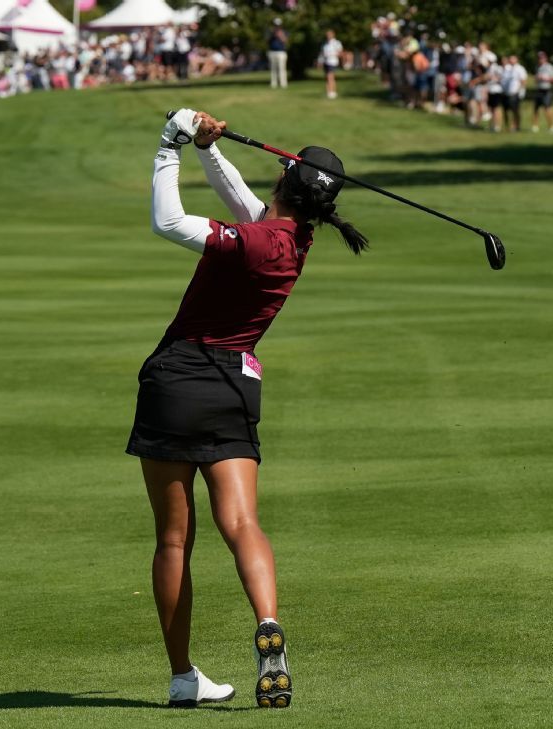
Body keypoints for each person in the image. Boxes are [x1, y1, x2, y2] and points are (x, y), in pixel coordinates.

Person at [134, 108, 368, 710]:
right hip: (234, 386)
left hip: (178, 377)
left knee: (174, 542)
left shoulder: (256, 238)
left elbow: (168, 221)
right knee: (241, 523)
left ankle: (184, 676)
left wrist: (169, 145)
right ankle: (268, 623)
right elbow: (247, 207)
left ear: (286, 181)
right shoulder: (294, 239)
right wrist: (207, 150)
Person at [531, 51, 553, 133]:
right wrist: (537, 78)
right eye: (539, 58)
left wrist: (545, 79)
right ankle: (535, 126)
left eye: (542, 58)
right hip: (539, 89)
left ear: (545, 58)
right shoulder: (537, 67)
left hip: (546, 90)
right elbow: (535, 79)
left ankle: (551, 126)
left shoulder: (549, 67)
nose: (540, 59)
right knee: (535, 109)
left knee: (547, 108)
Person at [501, 54, 527, 132]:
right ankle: (507, 126)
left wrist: (520, 91)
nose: (511, 60)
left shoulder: (520, 68)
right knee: (506, 110)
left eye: (513, 59)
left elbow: (523, 81)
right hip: (506, 93)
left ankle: (515, 126)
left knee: (515, 110)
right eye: (510, 59)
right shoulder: (507, 68)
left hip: (515, 93)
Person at [320, 30, 342, 99]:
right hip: (326, 62)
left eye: (329, 34)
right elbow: (322, 53)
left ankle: (333, 92)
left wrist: (331, 55)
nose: (328, 36)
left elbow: (340, 53)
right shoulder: (325, 44)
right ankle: (328, 92)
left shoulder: (336, 43)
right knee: (327, 77)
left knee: (330, 77)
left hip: (333, 62)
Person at [267, 19, 288, 89]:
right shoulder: (270, 32)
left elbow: (285, 41)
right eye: (276, 25)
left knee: (282, 69)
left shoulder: (284, 32)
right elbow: (267, 40)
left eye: (278, 25)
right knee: (273, 69)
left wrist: (280, 35)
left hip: (281, 52)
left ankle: (283, 84)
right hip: (272, 52)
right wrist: (273, 35)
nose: (277, 27)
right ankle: (273, 83)